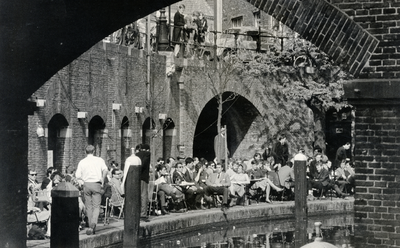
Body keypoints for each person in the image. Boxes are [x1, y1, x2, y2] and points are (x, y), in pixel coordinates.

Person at [75, 145, 108, 235]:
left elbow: (77, 175)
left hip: (86, 185)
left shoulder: (82, 162)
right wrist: (102, 179)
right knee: (96, 206)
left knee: (88, 207)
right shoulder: (99, 160)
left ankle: (90, 226)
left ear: (85, 152)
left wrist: (82, 183)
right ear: (94, 151)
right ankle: (93, 223)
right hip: (96, 184)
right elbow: (105, 170)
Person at [135, 144, 151, 220]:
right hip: (143, 178)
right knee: (144, 195)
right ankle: (143, 214)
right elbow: (143, 164)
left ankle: (137, 212)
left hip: (135, 178)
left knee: (137, 195)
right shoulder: (147, 154)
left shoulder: (135, 155)